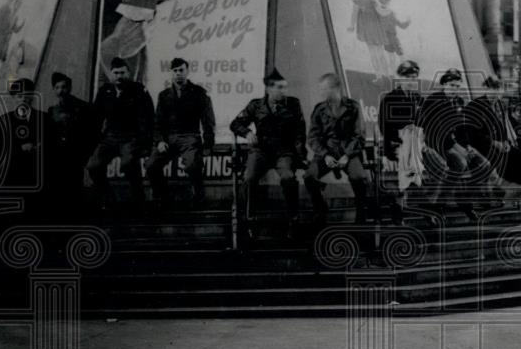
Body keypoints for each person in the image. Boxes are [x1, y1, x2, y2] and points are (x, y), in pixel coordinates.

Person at [230, 68, 306, 236]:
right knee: (249, 178)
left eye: (285, 87)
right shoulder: (255, 105)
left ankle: (293, 219)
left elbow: (300, 132)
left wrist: (301, 156)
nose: (284, 91)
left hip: (283, 151)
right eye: (279, 87)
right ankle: (247, 221)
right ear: (268, 89)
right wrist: (247, 133)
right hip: (261, 151)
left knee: (288, 178)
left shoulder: (293, 104)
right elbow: (235, 123)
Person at [417, 68, 499, 220]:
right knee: (459, 164)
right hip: (436, 145)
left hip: (454, 145)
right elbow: (436, 130)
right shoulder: (433, 101)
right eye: (452, 85)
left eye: (457, 86)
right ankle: (436, 204)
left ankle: (464, 199)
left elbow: (462, 127)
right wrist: (459, 148)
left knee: (484, 166)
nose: (455, 89)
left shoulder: (457, 102)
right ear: (443, 85)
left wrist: (467, 146)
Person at [379, 60, 447, 220]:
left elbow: (425, 123)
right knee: (410, 167)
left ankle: (428, 203)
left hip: (419, 145)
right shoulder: (390, 99)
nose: (411, 81)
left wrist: (423, 142)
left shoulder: (417, 99)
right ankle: (399, 209)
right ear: (400, 78)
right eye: (408, 78)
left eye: (414, 78)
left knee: (442, 166)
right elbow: (385, 128)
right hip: (399, 145)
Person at [146, 58, 216, 208]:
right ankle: (162, 196)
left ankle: (198, 195)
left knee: (192, 165)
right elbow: (158, 122)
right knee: (151, 165)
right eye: (175, 71)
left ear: (187, 71)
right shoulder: (164, 95)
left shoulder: (198, 93)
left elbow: (208, 121)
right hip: (169, 138)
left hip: (190, 136)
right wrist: (159, 141)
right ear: (171, 73)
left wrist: (208, 144)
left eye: (181, 70)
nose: (178, 74)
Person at [86, 57, 154, 210]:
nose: (119, 76)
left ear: (128, 73)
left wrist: (145, 144)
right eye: (116, 73)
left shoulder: (138, 90)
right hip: (110, 137)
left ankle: (138, 200)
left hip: (131, 138)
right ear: (111, 74)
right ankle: (108, 197)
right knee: (93, 166)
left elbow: (148, 118)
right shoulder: (105, 91)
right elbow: (96, 117)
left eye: (122, 73)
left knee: (128, 164)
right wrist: (95, 141)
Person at [304, 73, 370, 224]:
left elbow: (359, 136)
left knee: (359, 178)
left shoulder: (353, 107)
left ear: (336, 88)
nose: (321, 93)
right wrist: (325, 155)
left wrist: (347, 155)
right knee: (309, 177)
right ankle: (320, 209)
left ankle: (361, 216)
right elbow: (313, 137)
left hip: (349, 152)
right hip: (326, 152)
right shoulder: (319, 110)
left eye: (324, 89)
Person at [463, 76, 521, 186]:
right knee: (498, 159)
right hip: (480, 144)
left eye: (499, 89)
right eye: (492, 89)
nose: (496, 93)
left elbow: (502, 127)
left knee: (518, 156)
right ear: (486, 89)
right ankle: (496, 193)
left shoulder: (500, 105)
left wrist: (505, 141)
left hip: (498, 143)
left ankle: (513, 190)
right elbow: (473, 134)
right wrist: (495, 143)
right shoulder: (474, 106)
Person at [46, 71, 96, 212]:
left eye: (64, 87)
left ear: (70, 88)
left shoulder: (83, 107)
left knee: (75, 186)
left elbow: (92, 132)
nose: (61, 91)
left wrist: (86, 153)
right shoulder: (52, 110)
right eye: (57, 87)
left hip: (77, 154)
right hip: (58, 155)